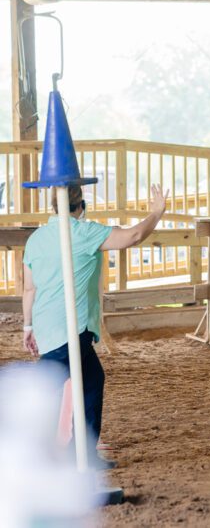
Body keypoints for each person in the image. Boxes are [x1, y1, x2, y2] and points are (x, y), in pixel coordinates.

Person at [22, 183, 168, 468]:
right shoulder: (84, 232)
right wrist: (157, 213)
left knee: (91, 380)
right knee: (44, 388)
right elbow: (134, 236)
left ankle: (83, 454)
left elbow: (29, 288)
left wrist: (28, 327)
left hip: (49, 325)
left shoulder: (36, 239)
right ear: (81, 206)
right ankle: (37, 455)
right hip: (70, 327)